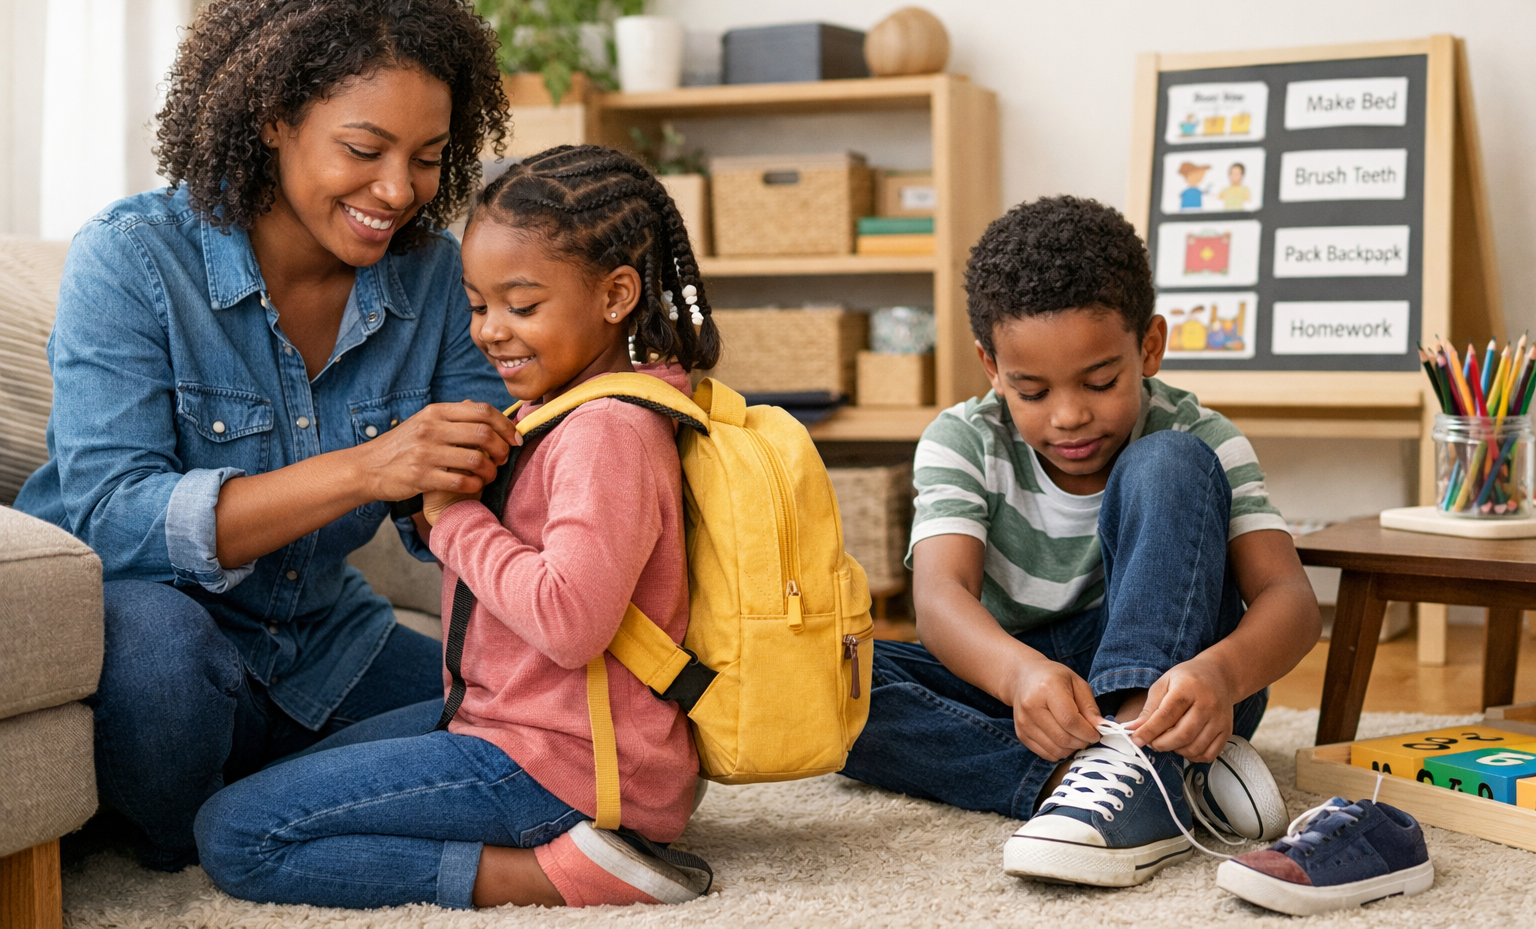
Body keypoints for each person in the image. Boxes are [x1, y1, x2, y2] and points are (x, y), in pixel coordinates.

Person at [14, 0, 517, 871]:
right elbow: (109, 518)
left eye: (429, 159)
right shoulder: (132, 261)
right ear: (274, 118)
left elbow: (464, 508)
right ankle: (217, 822)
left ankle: (262, 810)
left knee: (524, 721)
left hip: (325, 643)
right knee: (164, 654)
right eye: (364, 151)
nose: (400, 192)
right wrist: (369, 469)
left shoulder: (440, 279)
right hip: (156, 644)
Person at [195, 144, 724, 910]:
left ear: (616, 297)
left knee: (238, 836)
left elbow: (569, 620)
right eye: (478, 306)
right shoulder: (563, 411)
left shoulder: (607, 429)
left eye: (523, 305)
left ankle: (566, 873)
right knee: (267, 793)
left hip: (564, 761)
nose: (491, 333)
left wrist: (453, 521)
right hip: (514, 726)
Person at [840, 195, 1322, 887]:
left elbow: (1289, 599)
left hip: (1183, 684)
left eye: (1101, 382)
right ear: (991, 366)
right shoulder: (963, 440)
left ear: (1149, 347)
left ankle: (1139, 760)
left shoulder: (1200, 433)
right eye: (1031, 391)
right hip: (1032, 686)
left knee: (1171, 463)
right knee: (834, 680)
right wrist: (1018, 675)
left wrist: (1223, 674)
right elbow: (940, 599)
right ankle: (1116, 781)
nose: (1069, 416)